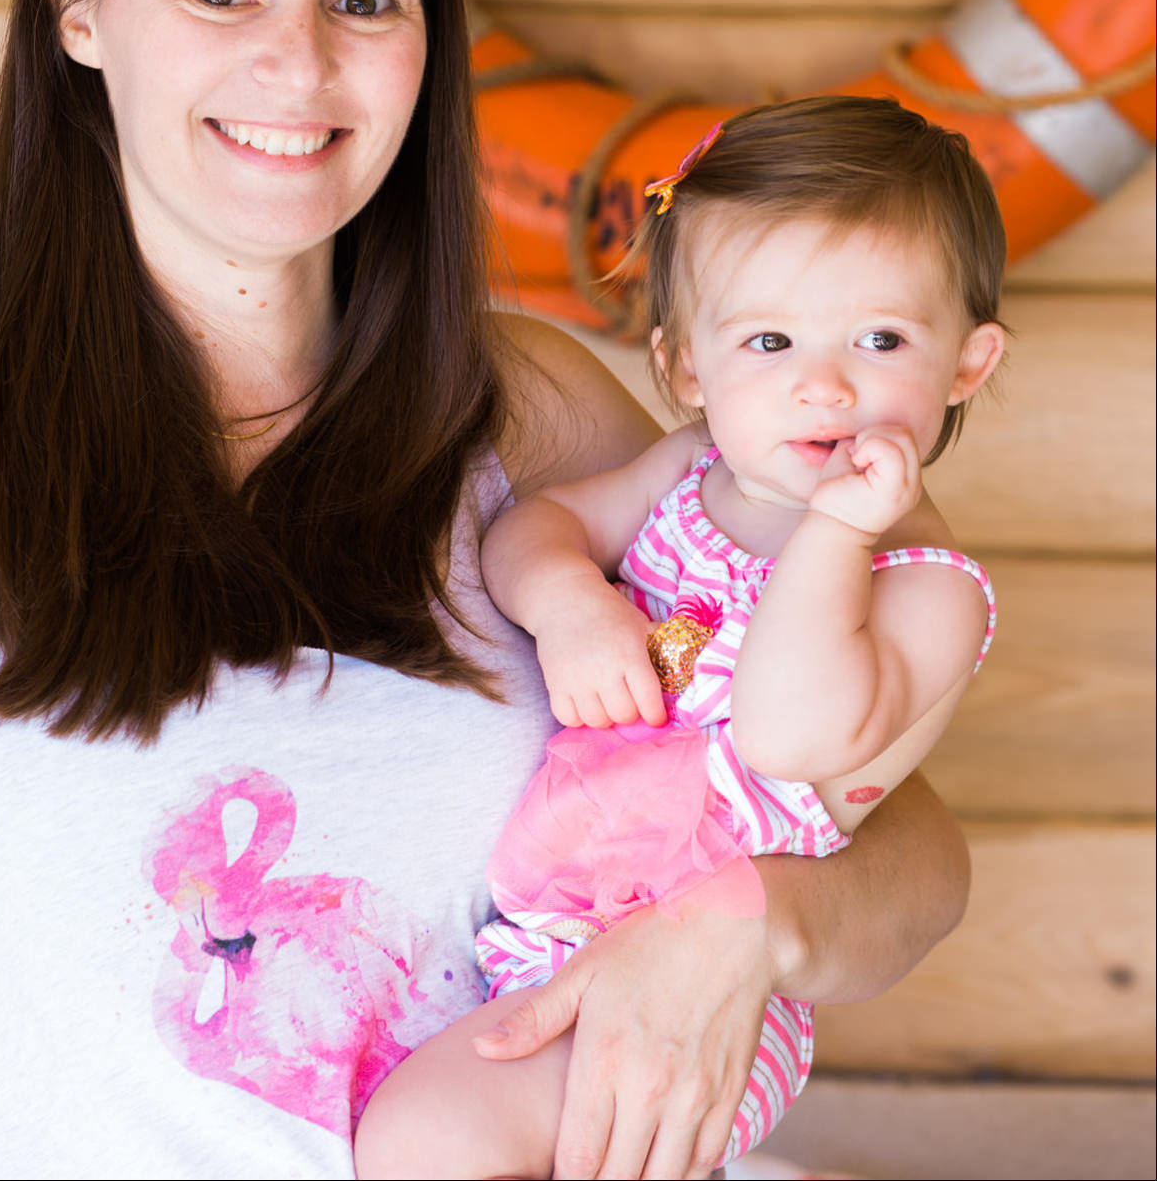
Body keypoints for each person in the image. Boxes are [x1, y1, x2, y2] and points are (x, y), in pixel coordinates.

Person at [0, 0, 971, 1181]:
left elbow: (905, 856)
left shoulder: (535, 414)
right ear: (78, 13)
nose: (299, 64)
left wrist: (743, 921)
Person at [355, 97, 1006, 1179]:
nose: (824, 383)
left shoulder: (929, 589)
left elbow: (790, 734)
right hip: (557, 927)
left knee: (432, 1142)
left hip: (697, 989)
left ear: (966, 364)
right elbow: (537, 528)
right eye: (767, 339)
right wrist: (570, 601)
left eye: (881, 338)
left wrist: (836, 532)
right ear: (689, 369)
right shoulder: (685, 471)